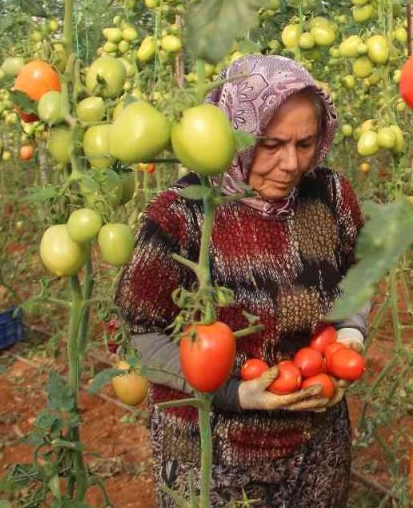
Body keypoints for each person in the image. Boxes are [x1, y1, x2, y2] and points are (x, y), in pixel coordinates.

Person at [115, 55, 369, 507]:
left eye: (305, 143)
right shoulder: (184, 218)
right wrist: (233, 392)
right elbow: (136, 335)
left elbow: (358, 272)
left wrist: (350, 331)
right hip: (213, 455)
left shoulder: (327, 196)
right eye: (271, 144)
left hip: (317, 443)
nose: (291, 163)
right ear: (233, 134)